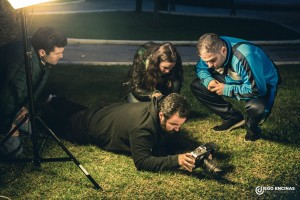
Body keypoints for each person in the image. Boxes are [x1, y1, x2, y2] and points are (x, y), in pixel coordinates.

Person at [42, 93, 196, 172]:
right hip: (87, 128)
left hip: (105, 112)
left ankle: (55, 100)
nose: (178, 129)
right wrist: (177, 161)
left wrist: (196, 151)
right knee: (56, 124)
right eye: (174, 124)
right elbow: (142, 162)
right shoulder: (143, 127)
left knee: (84, 112)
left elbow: (170, 140)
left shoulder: (160, 104)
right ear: (161, 115)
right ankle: (33, 111)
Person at [190, 33, 280, 142]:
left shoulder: (245, 55)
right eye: (206, 61)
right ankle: (233, 118)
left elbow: (258, 89)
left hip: (263, 83)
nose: (209, 65)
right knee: (198, 85)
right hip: (235, 77)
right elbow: (201, 69)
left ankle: (253, 130)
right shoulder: (211, 49)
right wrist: (209, 80)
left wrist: (226, 89)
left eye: (212, 60)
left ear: (223, 50)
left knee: (256, 108)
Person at [0, 26, 67, 157]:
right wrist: (7, 126)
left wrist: (26, 107)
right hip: (3, 103)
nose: (62, 56)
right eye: (58, 53)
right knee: (14, 151)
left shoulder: (41, 57)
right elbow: (7, 98)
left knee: (32, 130)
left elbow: (36, 86)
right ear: (42, 52)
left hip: (10, 102)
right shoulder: (23, 64)